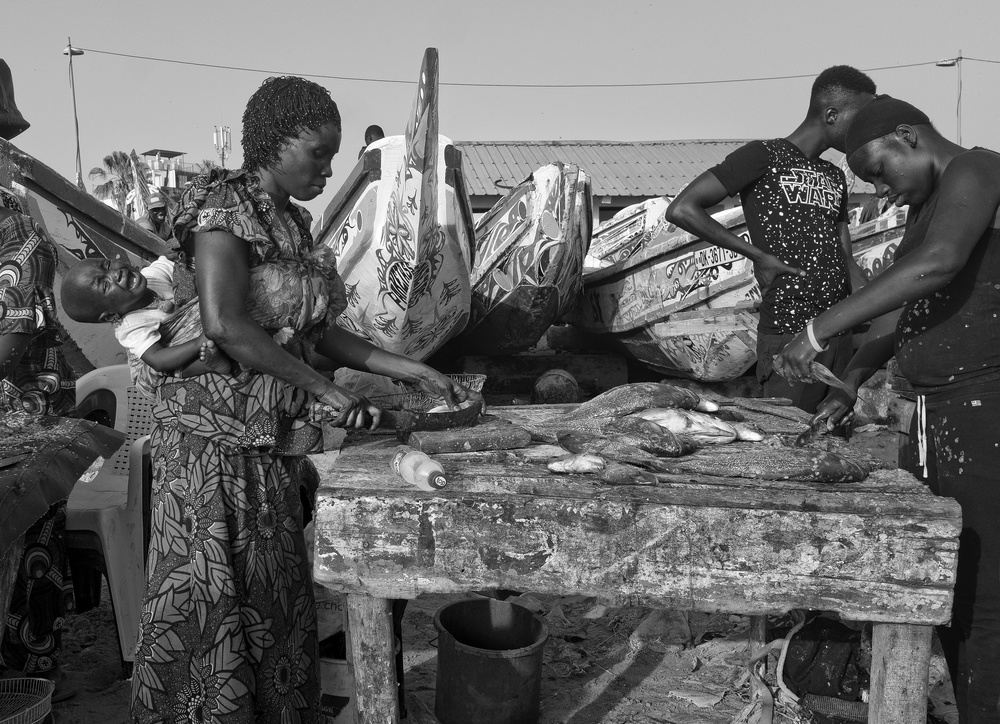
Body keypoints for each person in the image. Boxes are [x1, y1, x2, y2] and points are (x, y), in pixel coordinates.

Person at [130, 76, 467, 723]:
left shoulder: (294, 223)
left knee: (274, 599)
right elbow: (225, 320)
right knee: (212, 607)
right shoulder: (223, 209)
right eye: (318, 152)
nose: (327, 168)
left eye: (333, 156)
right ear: (275, 144)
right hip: (211, 445)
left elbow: (323, 331)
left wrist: (414, 369)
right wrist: (323, 389)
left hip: (269, 442)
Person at [775, 95, 1000, 723]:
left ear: (908, 135)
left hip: (986, 414)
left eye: (878, 170)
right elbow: (903, 311)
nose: (883, 189)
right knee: (946, 582)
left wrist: (817, 330)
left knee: (986, 599)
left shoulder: (979, 170)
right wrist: (848, 383)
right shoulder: (929, 206)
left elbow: (939, 264)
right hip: (933, 418)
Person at [664, 65, 876, 412]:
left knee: (833, 446)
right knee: (789, 444)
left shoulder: (835, 175)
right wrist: (757, 256)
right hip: (789, 337)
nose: (867, 129)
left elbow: (845, 256)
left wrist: (885, 304)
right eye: (862, 118)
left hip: (839, 336)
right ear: (832, 114)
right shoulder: (763, 156)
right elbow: (683, 209)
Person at [0, 59, 78, 703]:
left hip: (16, 416)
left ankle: (26, 683)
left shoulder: (14, 223)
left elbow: (13, 336)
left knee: (25, 555)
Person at [59, 255, 232, 397]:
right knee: (167, 372)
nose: (115, 274)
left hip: (169, 340)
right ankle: (208, 365)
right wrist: (198, 342)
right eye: (105, 285)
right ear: (111, 315)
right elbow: (157, 359)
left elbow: (176, 265)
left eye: (107, 264)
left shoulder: (152, 276)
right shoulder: (131, 326)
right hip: (149, 370)